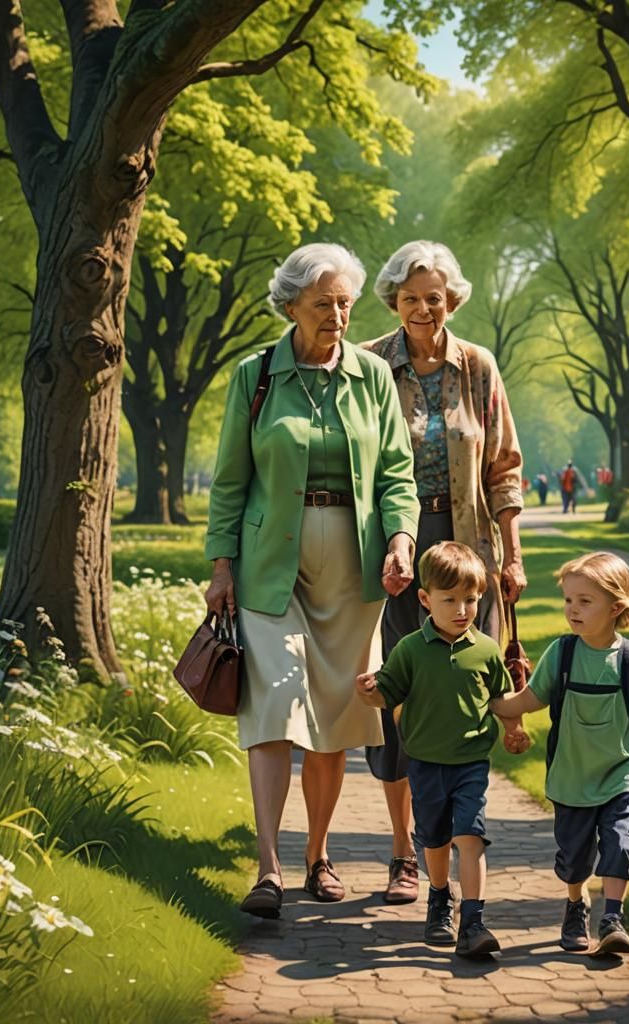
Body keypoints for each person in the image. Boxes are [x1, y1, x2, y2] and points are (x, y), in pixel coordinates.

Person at [204, 242, 420, 920]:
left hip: (354, 573)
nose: (337, 315)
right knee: (273, 705)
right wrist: (220, 566)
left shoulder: (372, 376)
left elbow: (395, 474)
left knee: (335, 718)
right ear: (291, 304)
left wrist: (402, 539)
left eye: (346, 304)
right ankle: (267, 867)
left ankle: (317, 856)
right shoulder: (255, 377)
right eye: (324, 304)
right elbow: (231, 481)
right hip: (272, 568)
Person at [361, 240, 527, 905]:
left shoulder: (476, 367)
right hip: (394, 550)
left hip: (464, 549)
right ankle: (405, 850)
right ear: (394, 302)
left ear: (451, 298)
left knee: (457, 695)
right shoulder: (371, 364)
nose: (424, 309)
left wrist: (511, 556)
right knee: (400, 695)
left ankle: (460, 839)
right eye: (410, 298)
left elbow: (505, 468)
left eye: (434, 297)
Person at [355, 541, 530, 957]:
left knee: (470, 836)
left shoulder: (487, 651)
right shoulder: (411, 650)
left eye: (470, 600)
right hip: (426, 764)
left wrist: (515, 727)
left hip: (471, 762)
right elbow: (388, 694)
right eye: (449, 600)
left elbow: (501, 699)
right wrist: (368, 694)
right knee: (433, 840)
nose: (461, 610)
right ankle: (439, 899)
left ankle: (473, 921)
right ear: (424, 598)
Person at [490, 551, 629, 956]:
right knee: (573, 857)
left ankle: (612, 918)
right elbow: (533, 699)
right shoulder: (562, 653)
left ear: (616, 607)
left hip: (619, 772)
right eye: (569, 600)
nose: (573, 609)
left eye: (585, 601)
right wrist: (497, 706)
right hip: (571, 774)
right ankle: (575, 904)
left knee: (619, 842)